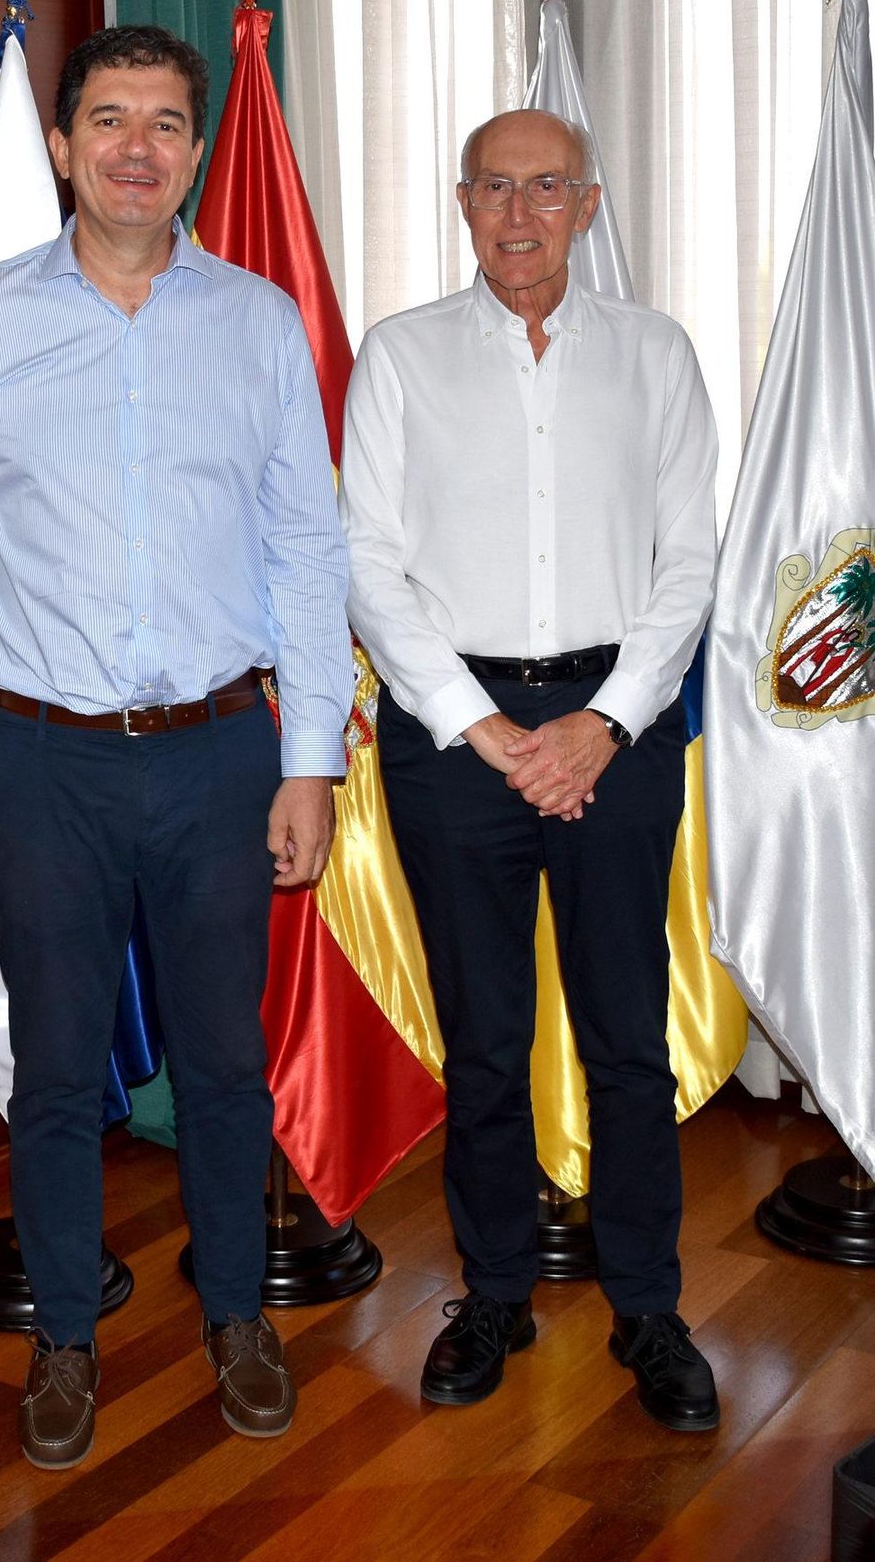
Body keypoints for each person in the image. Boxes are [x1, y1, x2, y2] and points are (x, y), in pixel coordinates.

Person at [0, 25, 352, 1467]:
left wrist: (311, 759)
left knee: (219, 1067)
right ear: (65, 146)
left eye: (164, 123)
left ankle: (237, 1320)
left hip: (218, 758)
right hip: (43, 763)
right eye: (108, 119)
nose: (138, 146)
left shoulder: (257, 323)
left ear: (196, 151)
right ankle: (66, 1338)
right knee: (63, 1072)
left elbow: (308, 549)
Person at [339, 109, 720, 1433]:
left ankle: (651, 1310)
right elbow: (368, 565)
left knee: (627, 1038)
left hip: (619, 719)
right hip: (457, 739)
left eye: (546, 187)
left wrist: (603, 724)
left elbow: (690, 565)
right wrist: (487, 728)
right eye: (495, 187)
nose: (520, 212)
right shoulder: (400, 358)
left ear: (590, 203)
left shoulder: (657, 355)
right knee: (485, 1041)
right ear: (461, 203)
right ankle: (494, 1289)